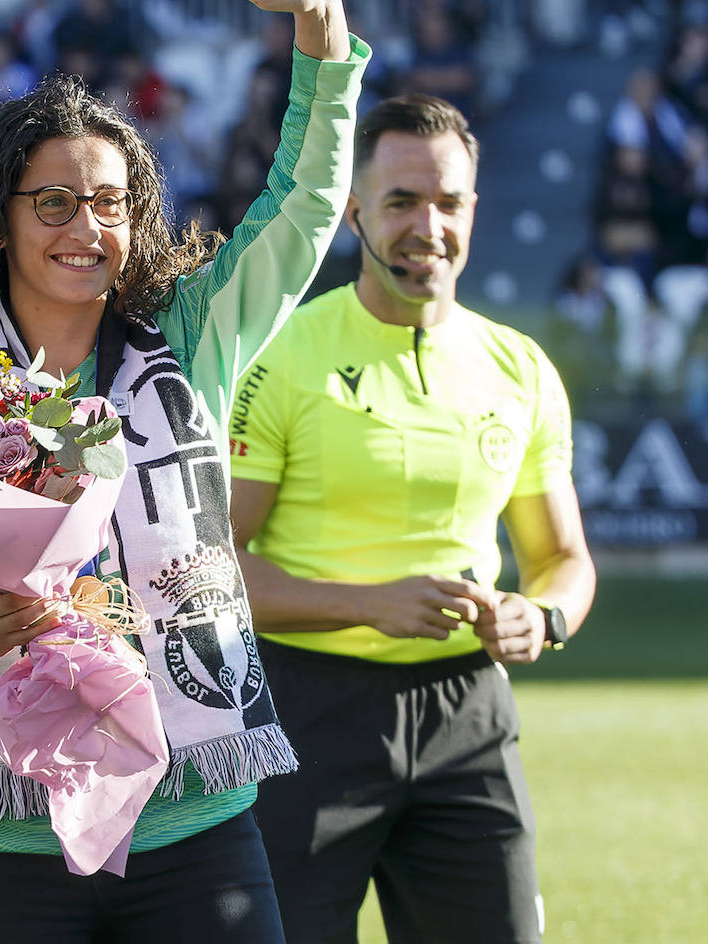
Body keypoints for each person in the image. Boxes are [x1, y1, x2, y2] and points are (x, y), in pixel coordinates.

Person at [0, 3, 368, 941]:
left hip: (193, 830)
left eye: (111, 201)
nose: (88, 226)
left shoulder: (192, 342)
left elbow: (304, 204)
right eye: (55, 203)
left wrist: (320, 36)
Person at [227, 93, 598, 944]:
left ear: (474, 210)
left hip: (468, 714)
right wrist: (368, 602)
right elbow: (213, 568)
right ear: (356, 212)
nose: (426, 225)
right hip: (304, 712)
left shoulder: (523, 368)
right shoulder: (284, 354)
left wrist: (538, 616)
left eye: (448, 202)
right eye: (400, 202)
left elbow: (565, 559)